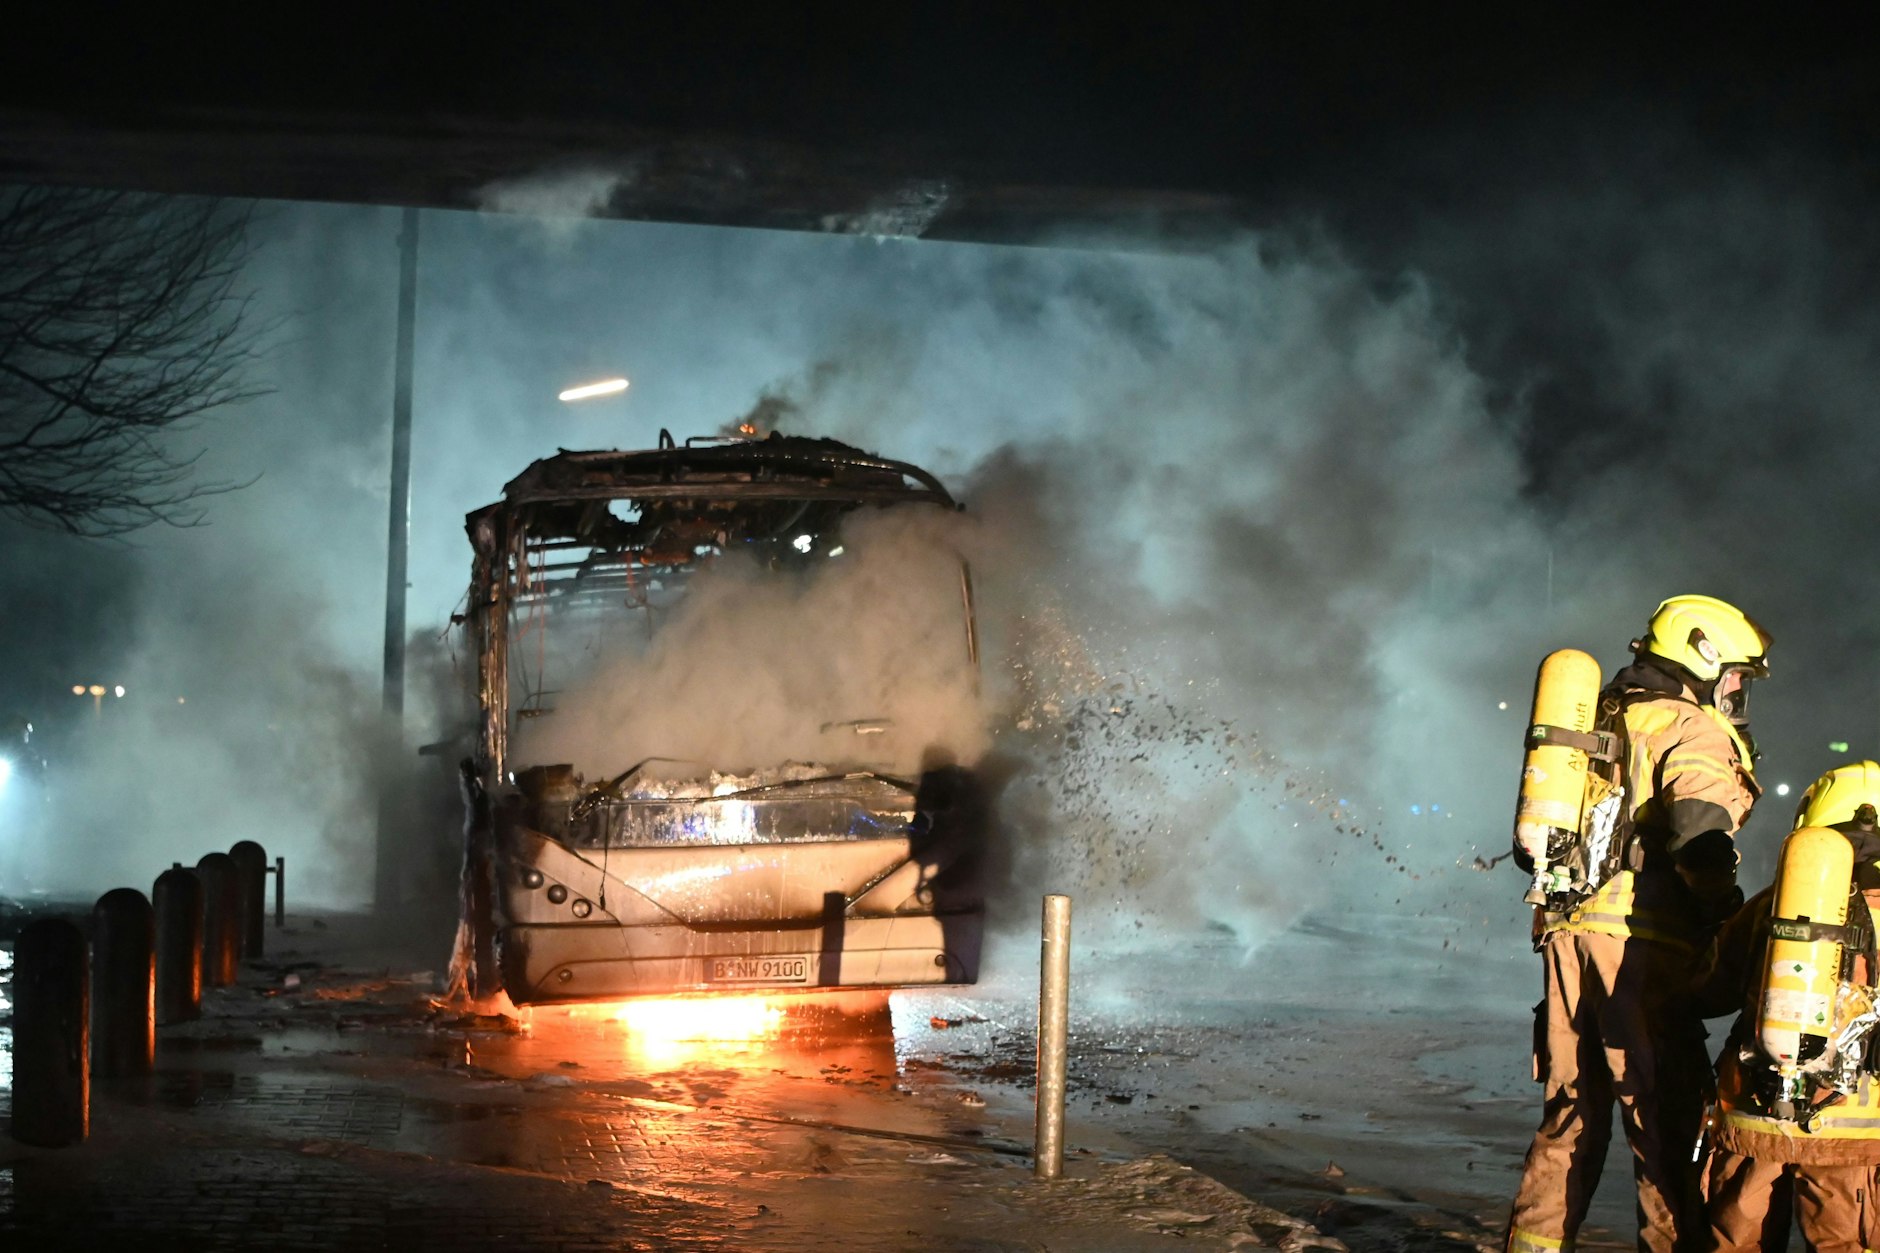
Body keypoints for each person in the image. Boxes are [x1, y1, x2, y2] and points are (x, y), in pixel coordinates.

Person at [1506, 594, 1770, 1253]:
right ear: (1702, 655)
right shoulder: (1689, 726)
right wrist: (1721, 910)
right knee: (1664, 1120)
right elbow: (1699, 832)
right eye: (1734, 673)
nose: (1736, 688)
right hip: (1639, 948)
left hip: (1566, 934)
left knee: (1571, 1115)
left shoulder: (1597, 720)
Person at [1699, 761, 1880, 1253]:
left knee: (1734, 1243)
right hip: (1853, 1132)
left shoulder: (1770, 903)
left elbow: (1709, 991)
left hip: (1753, 1116)